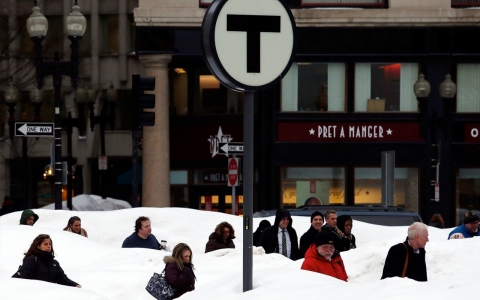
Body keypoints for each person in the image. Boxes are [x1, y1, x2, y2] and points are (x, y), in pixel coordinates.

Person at [17, 234, 81, 287]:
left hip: (49, 295)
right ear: (38, 246)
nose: (49, 246)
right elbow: (24, 280)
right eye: (45, 244)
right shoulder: (32, 259)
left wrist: (75, 285)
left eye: (50, 244)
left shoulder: (54, 263)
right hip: (34, 294)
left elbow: (62, 279)